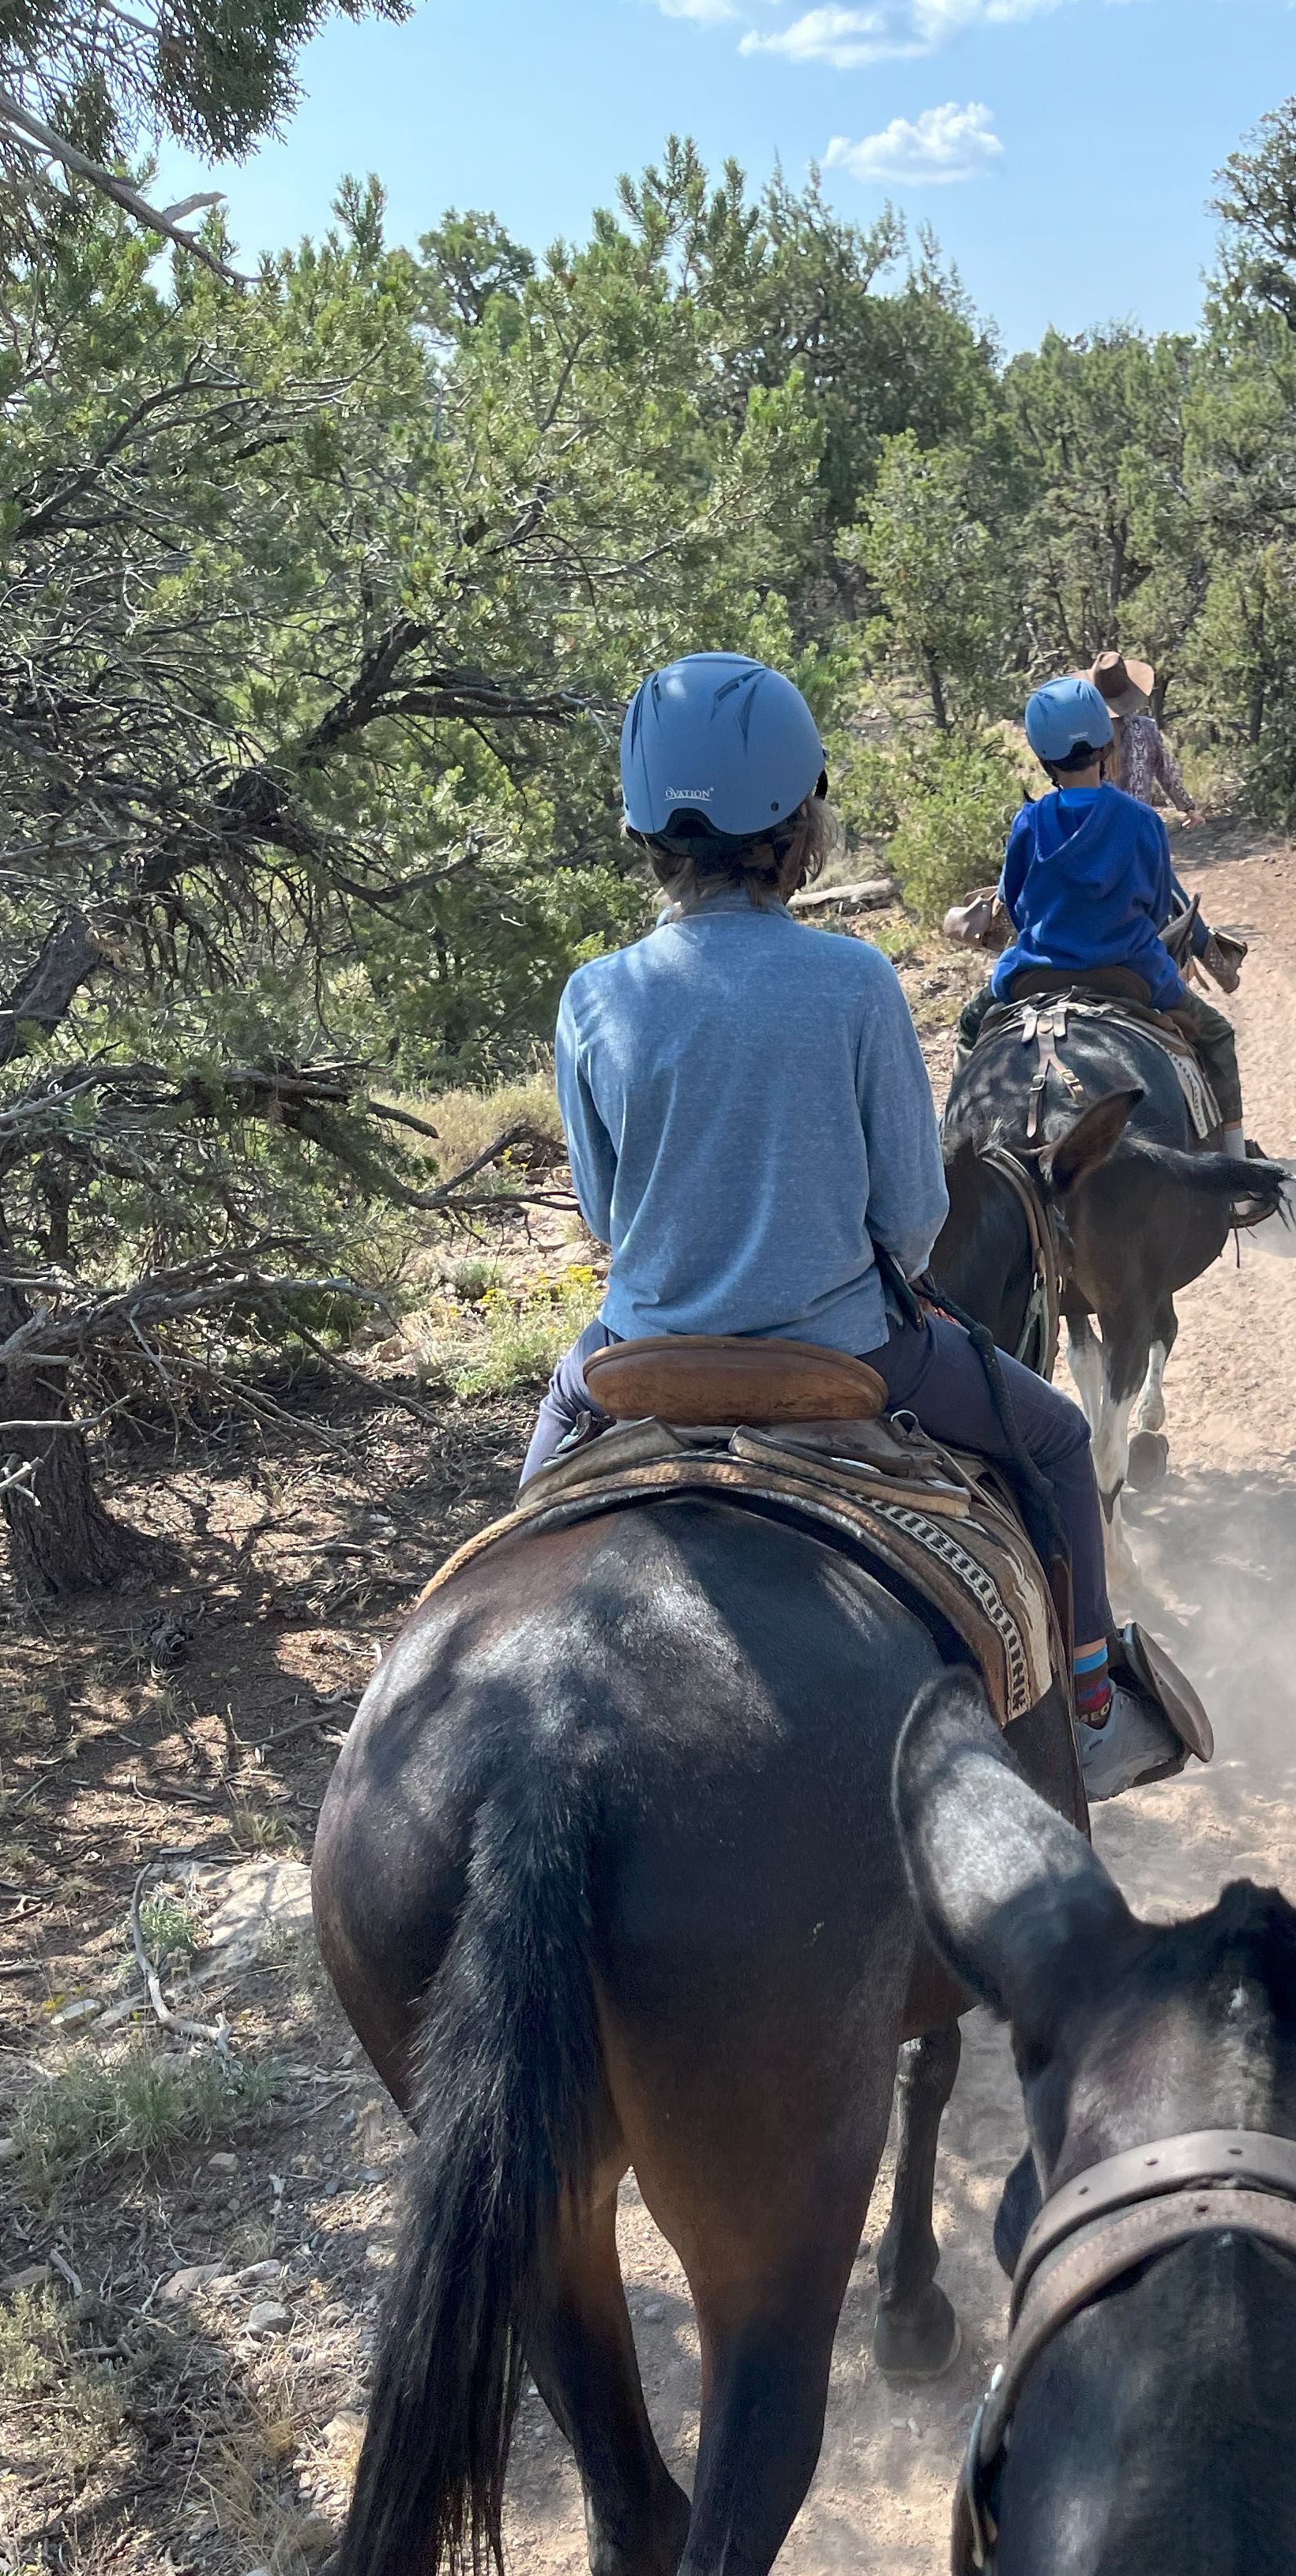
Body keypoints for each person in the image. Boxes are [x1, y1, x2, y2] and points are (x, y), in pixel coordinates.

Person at [521, 652, 1185, 1801]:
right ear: (796, 826)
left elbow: (599, 1209)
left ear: (645, 836)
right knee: (1065, 1445)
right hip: (849, 1355)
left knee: (525, 1516)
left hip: (638, 1360)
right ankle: (1088, 1708)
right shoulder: (854, 980)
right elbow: (914, 1215)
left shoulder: (594, 994)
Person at [962, 675, 1248, 1160]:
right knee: (1217, 1035)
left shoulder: (1028, 822)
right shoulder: (1142, 821)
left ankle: (950, 1154)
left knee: (972, 1027)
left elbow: (1014, 902)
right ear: (1104, 745)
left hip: (1034, 973)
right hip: (1132, 973)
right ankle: (1240, 1172)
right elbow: (1159, 907)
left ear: (1042, 758)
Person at [1092, 650, 1195, 820]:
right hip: (1138, 825)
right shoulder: (1147, 729)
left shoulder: (1088, 733)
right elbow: (1166, 772)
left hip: (1098, 827)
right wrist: (1188, 808)